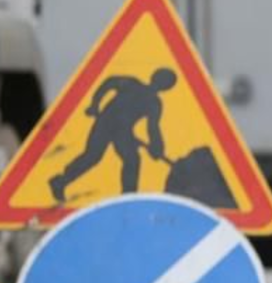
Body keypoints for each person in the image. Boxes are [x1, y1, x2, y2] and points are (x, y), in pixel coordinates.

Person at [50, 68, 179, 200]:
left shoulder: (154, 103)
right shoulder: (132, 84)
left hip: (123, 131)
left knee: (132, 160)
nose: (160, 84)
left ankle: (128, 199)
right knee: (93, 156)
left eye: (165, 82)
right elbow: (109, 82)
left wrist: (157, 147)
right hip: (105, 123)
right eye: (162, 80)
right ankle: (60, 181)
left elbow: (153, 128)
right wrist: (95, 104)